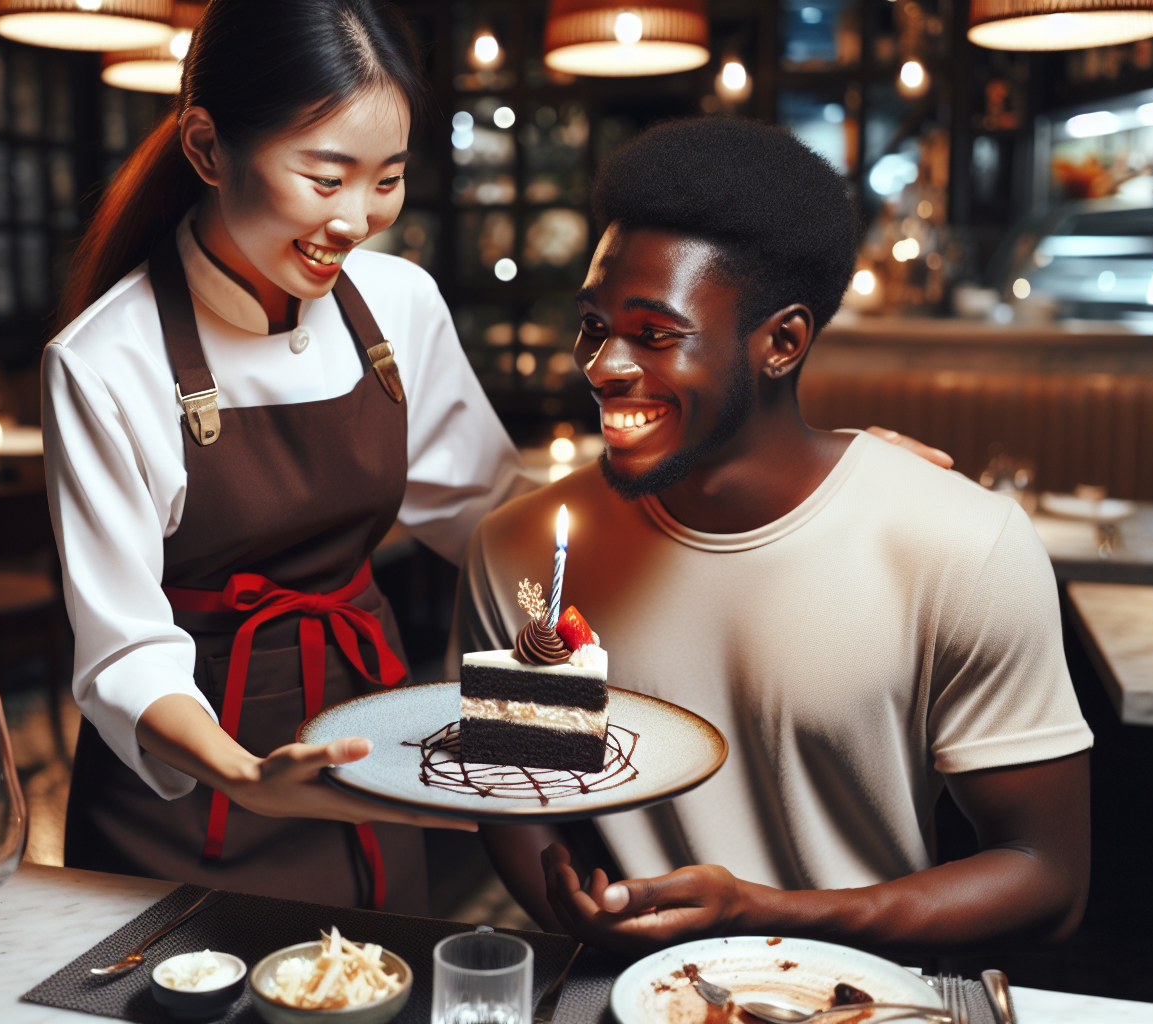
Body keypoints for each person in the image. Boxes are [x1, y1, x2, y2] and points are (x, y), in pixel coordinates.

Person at [452, 118, 1094, 955]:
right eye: (593, 325)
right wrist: (574, 902)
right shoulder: (522, 551)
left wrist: (769, 917)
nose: (602, 366)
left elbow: (1045, 876)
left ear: (782, 343)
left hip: (866, 1001)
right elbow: (516, 789)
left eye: (653, 333)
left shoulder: (960, 546)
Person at [41, 0, 516, 915]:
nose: (358, 218)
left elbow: (488, 516)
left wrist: (675, 515)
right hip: (184, 789)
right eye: (326, 176)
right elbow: (122, 649)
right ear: (208, 148)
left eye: (387, 180)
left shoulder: (400, 303)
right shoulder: (105, 359)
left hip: (369, 741)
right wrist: (248, 776)